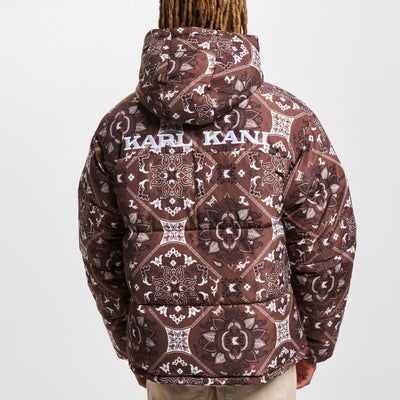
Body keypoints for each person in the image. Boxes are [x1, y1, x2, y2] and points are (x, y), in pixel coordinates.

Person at [77, 0, 357, 399]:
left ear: (166, 14)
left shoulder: (120, 129)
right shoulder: (287, 121)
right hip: (264, 350)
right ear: (237, 14)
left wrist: (135, 341)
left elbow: (99, 248)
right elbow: (326, 243)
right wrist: (314, 342)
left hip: (167, 353)